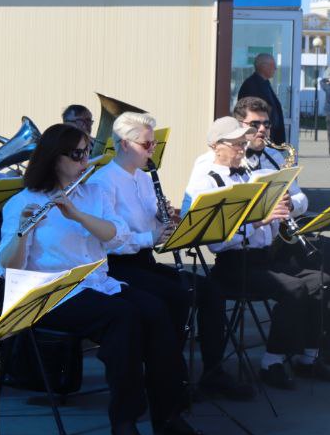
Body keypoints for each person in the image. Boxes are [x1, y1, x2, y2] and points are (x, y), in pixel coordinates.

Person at [0, 123, 203, 435]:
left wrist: (76, 214)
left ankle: (169, 413)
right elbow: (6, 266)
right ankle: (124, 423)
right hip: (53, 294)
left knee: (157, 309)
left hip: (98, 283)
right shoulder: (23, 202)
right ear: (53, 158)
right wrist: (22, 232)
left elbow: (116, 236)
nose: (85, 159)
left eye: (87, 151)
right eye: (77, 153)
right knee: (124, 318)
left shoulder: (93, 193)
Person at [90, 111, 248, 400]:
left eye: (153, 144)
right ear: (125, 144)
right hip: (117, 267)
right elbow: (111, 239)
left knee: (210, 290)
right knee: (176, 297)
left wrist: (169, 222)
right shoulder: (104, 182)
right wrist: (149, 236)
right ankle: (167, 377)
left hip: (144, 261)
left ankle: (212, 372)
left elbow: (154, 225)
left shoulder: (144, 177)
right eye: (146, 144)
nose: (152, 150)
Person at [183, 117, 330, 391]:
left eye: (244, 142)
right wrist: (256, 222)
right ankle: (272, 362)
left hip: (265, 258)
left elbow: (270, 225)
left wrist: (281, 210)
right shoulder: (207, 184)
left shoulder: (250, 175)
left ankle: (307, 356)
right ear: (216, 146)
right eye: (237, 143)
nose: (243, 148)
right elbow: (216, 242)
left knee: (321, 281)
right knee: (293, 289)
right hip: (233, 265)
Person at [233, 97, 330, 368]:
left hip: (283, 239)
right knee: (321, 276)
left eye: (266, 124)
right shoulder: (230, 163)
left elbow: (301, 199)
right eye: (254, 124)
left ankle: (326, 335)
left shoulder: (275, 156)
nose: (262, 130)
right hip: (257, 249)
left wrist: (290, 204)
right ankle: (310, 344)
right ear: (238, 125)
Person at [236, 53, 288, 145]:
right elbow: (252, 113)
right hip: (258, 139)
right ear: (263, 66)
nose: (275, 68)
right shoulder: (251, 85)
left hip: (268, 137)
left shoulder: (265, 83)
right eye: (273, 65)